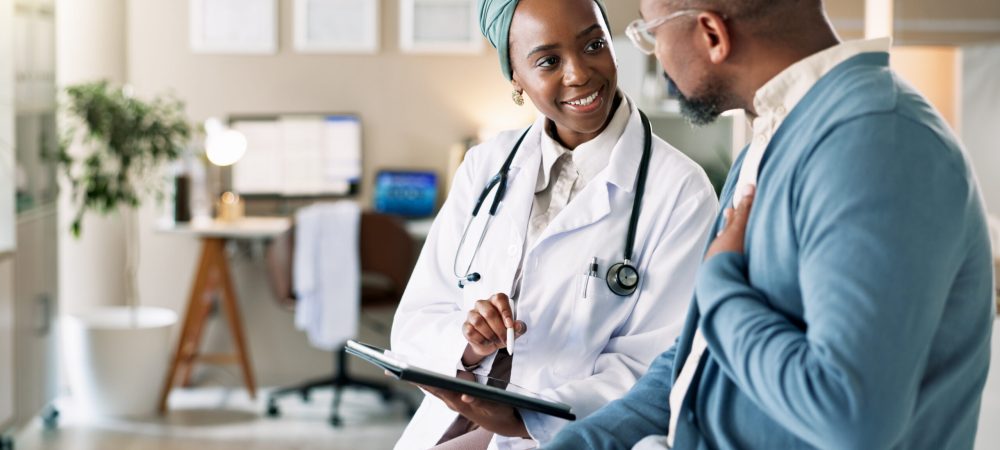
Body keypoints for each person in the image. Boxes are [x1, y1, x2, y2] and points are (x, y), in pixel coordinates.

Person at [546, 0, 996, 448]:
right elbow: (696, 360)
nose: (655, 54)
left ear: (712, 35)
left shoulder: (877, 143)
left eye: (652, 34)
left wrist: (720, 285)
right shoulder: (774, 141)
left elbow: (851, 415)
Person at [389, 0, 720, 448]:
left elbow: (656, 366)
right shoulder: (485, 166)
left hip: (569, 433)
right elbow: (415, 321)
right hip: (453, 419)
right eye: (548, 61)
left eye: (594, 45)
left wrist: (521, 419)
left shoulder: (679, 190)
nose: (579, 73)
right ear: (516, 80)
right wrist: (470, 341)